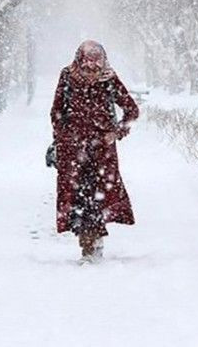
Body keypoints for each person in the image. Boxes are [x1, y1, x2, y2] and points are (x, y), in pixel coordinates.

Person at [50, 40, 140, 262]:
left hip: (102, 152)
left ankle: (92, 244)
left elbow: (131, 110)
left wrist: (117, 133)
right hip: (73, 151)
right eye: (86, 69)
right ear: (78, 63)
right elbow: (57, 111)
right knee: (77, 198)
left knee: (97, 197)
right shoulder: (67, 77)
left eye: (95, 69)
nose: (91, 74)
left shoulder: (109, 80)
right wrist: (63, 136)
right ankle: (87, 242)